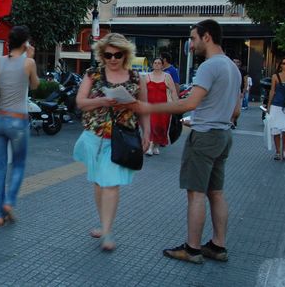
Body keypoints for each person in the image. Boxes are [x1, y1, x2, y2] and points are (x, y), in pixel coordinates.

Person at [132, 19, 241, 264]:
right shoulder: (233, 68)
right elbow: (235, 111)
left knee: (196, 194)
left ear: (207, 37)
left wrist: (149, 106)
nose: (190, 45)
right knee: (217, 193)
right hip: (223, 135)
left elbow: (188, 103)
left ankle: (192, 249)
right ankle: (218, 246)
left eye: (193, 38)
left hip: (205, 138)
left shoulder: (209, 66)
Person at [73, 33, 150, 251]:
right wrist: (102, 101)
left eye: (117, 54)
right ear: (102, 54)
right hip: (94, 137)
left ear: (125, 54)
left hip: (122, 138)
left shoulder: (136, 78)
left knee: (110, 183)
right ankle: (103, 224)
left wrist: (147, 133)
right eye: (108, 55)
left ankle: (107, 232)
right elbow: (80, 102)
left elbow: (143, 108)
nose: (113, 59)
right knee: (99, 182)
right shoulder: (93, 74)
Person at [0, 26, 39, 227]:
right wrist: (30, 57)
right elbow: (34, 86)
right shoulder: (28, 63)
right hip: (17, 120)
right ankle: (9, 202)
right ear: (25, 43)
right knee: (18, 164)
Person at [146, 57, 178, 156]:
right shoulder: (147, 76)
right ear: (152, 65)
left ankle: (156, 146)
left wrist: (177, 105)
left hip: (164, 107)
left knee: (161, 127)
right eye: (155, 63)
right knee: (152, 125)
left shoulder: (167, 76)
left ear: (162, 65)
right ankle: (150, 146)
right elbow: (142, 91)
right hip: (151, 107)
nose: (157, 64)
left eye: (159, 63)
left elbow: (173, 91)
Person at [231, 58, 249, 128]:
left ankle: (234, 119)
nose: (235, 63)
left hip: (239, 91)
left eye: (237, 62)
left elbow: (245, 82)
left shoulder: (243, 72)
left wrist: (243, 92)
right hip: (231, 91)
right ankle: (231, 122)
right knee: (231, 107)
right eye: (234, 62)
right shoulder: (230, 70)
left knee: (238, 109)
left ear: (240, 63)